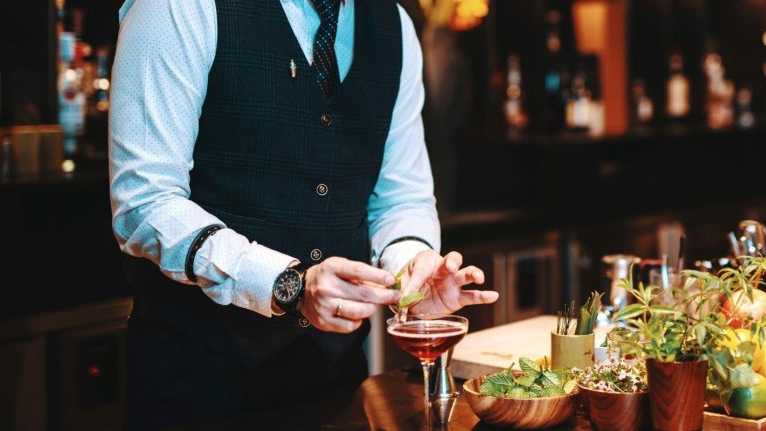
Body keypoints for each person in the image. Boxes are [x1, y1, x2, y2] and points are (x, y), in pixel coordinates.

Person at [108, 0, 498, 428]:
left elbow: (400, 196)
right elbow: (144, 201)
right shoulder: (178, 8)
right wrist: (288, 285)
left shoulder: (394, 24)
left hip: (336, 375)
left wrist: (412, 270)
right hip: (198, 377)